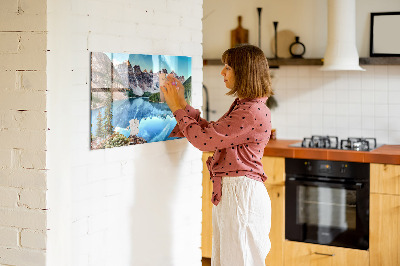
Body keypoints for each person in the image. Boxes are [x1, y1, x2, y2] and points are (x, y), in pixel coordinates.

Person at [161, 44, 273, 266]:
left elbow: (204, 141)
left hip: (241, 195)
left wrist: (176, 108)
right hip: (236, 193)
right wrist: (182, 104)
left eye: (228, 67)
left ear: (244, 72)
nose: (222, 72)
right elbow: (212, 133)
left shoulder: (250, 111)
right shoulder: (246, 106)